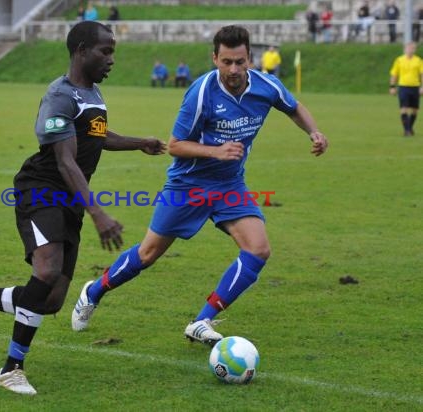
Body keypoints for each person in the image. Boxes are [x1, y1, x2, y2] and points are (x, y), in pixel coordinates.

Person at [0, 21, 166, 396]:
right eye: (105, 51)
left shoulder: (92, 93)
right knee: (45, 272)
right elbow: (65, 161)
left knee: (50, 301)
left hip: (68, 200)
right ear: (80, 50)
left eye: (113, 52)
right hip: (41, 190)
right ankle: (11, 368)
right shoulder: (59, 97)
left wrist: (139, 142)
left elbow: (97, 135)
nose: (111, 60)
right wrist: (98, 213)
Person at [71, 25, 328, 345]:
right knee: (148, 254)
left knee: (258, 249)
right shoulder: (201, 92)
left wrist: (314, 132)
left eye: (240, 61)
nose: (233, 70)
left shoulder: (266, 85)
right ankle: (93, 291)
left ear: (250, 59)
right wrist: (216, 151)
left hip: (229, 184)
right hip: (187, 185)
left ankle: (202, 320)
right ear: (214, 59)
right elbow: (176, 146)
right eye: (226, 62)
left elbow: (293, 106)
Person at [389, 42, 423, 137]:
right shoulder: (399, 60)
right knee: (403, 108)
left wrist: (422, 86)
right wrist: (392, 86)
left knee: (415, 110)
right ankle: (407, 130)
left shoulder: (418, 61)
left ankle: (409, 128)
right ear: (405, 49)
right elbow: (394, 74)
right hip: (403, 87)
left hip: (415, 87)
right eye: (409, 48)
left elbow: (422, 74)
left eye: (413, 48)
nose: (411, 50)